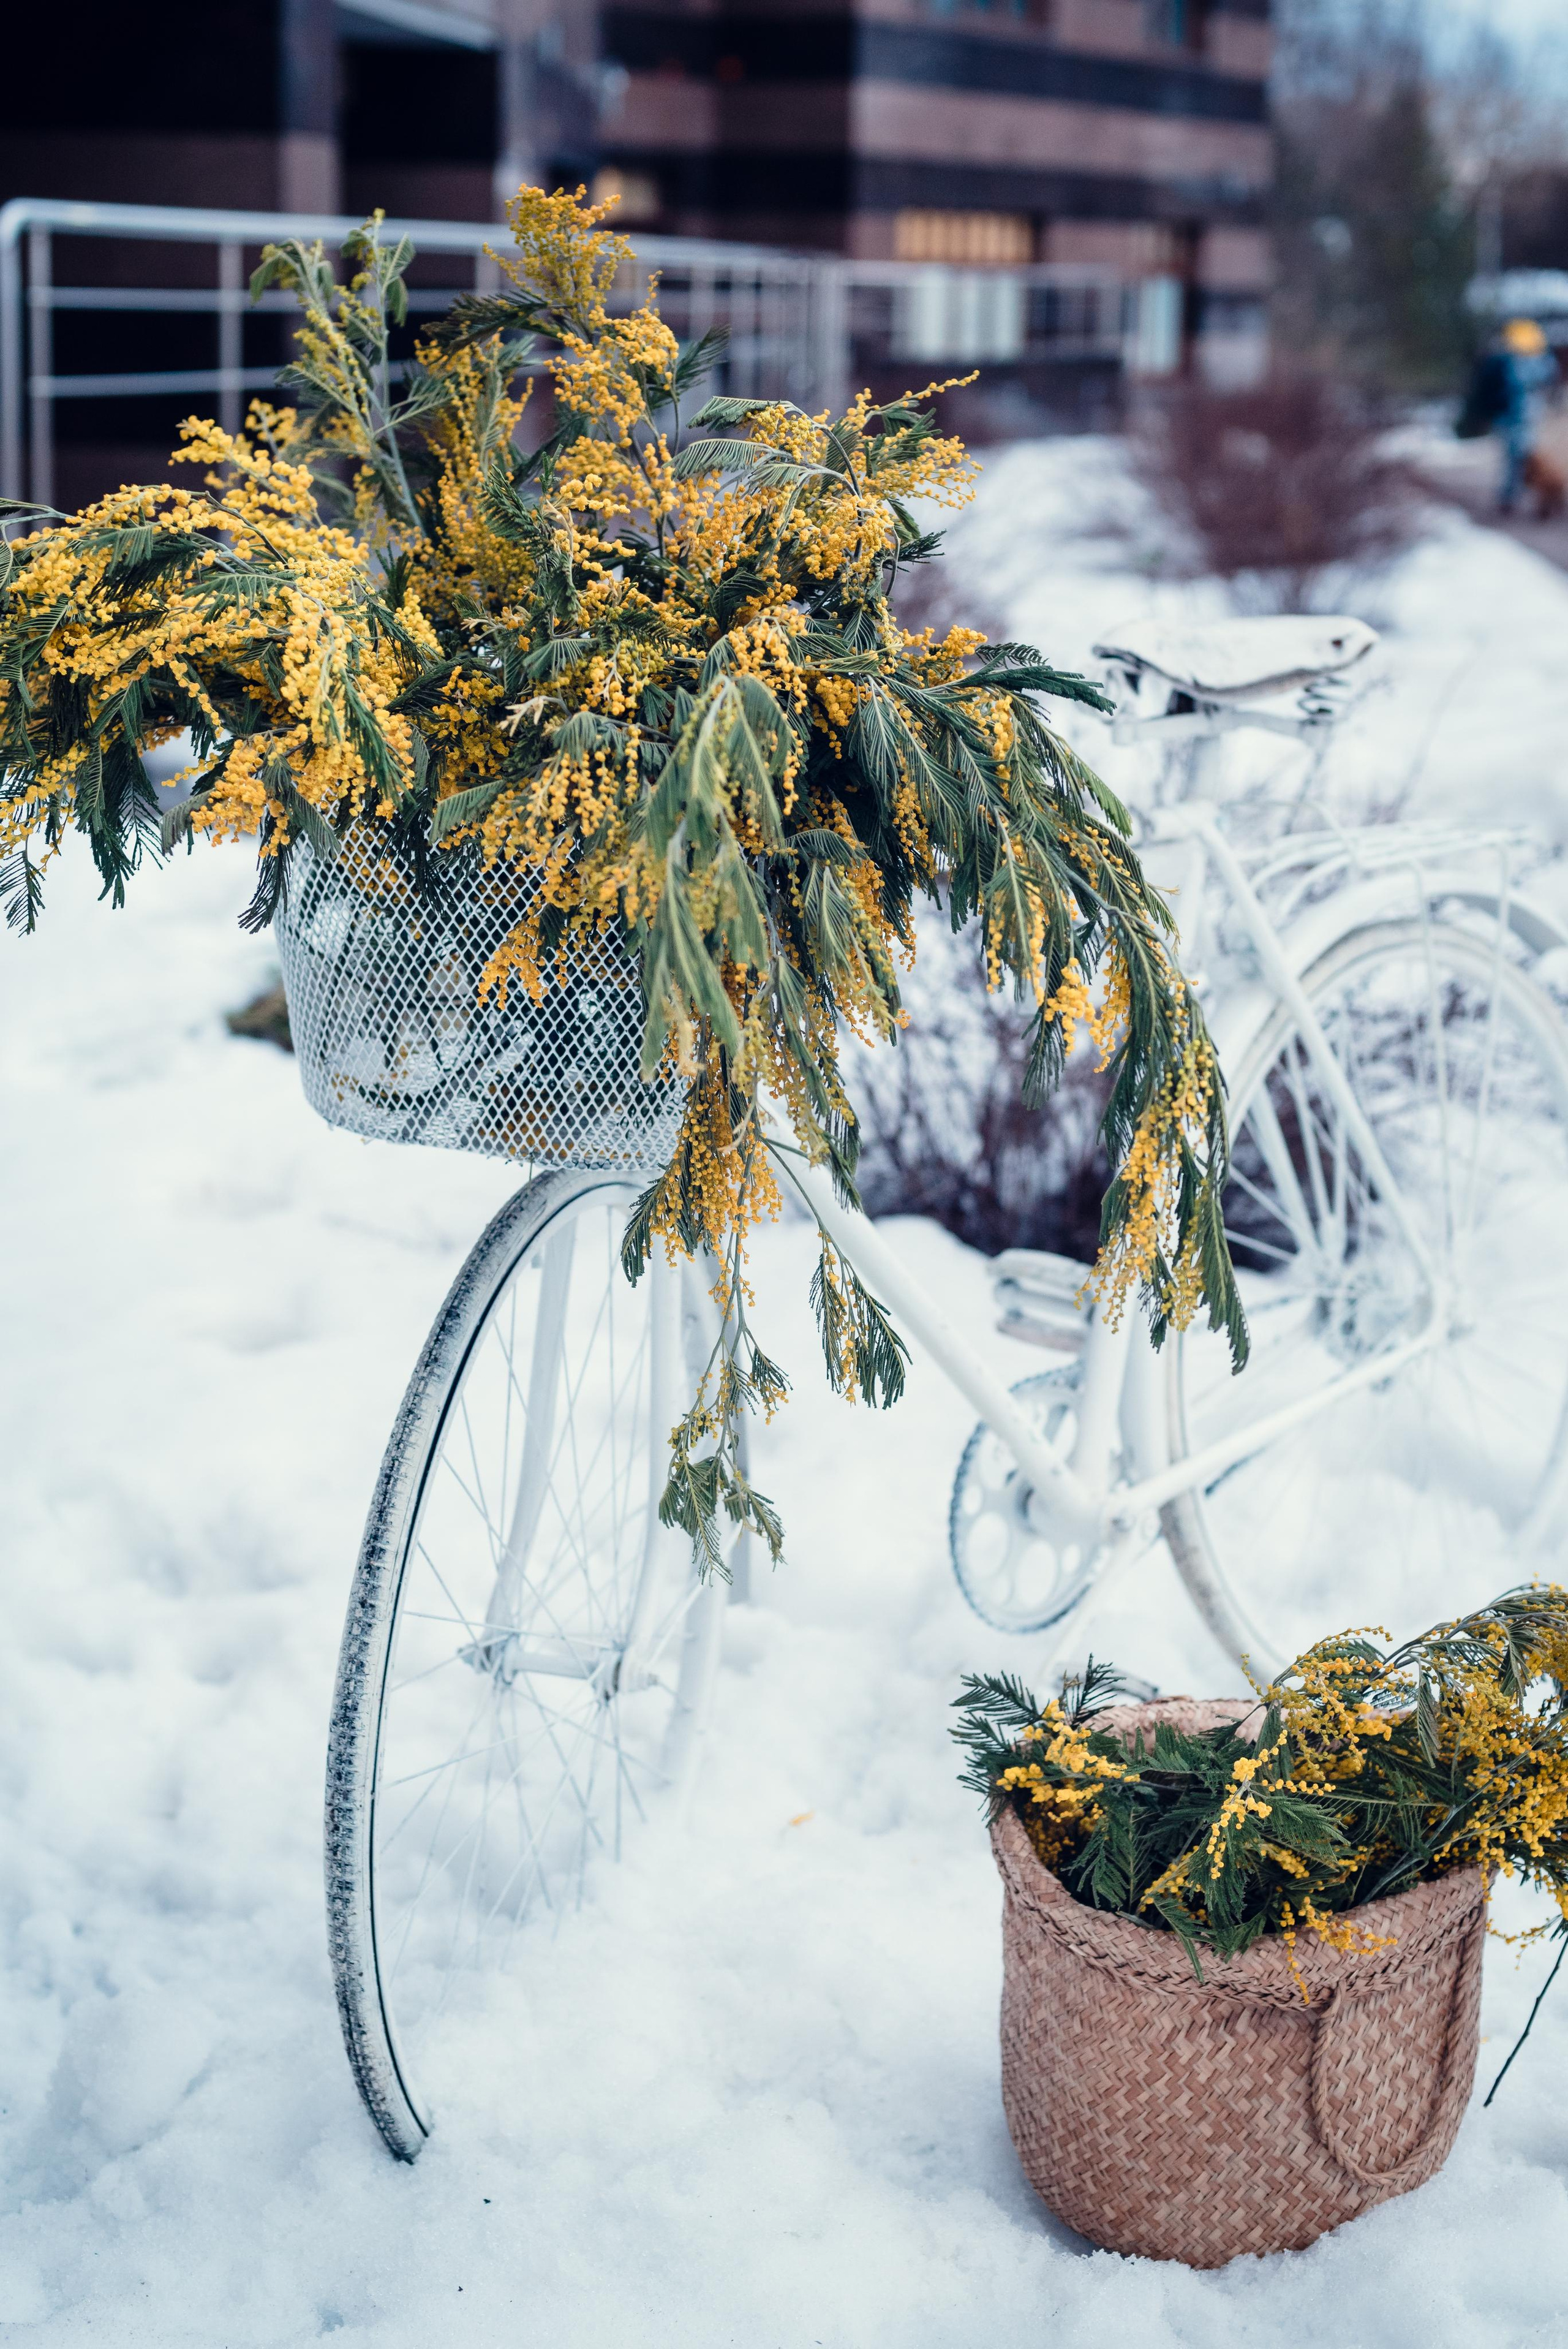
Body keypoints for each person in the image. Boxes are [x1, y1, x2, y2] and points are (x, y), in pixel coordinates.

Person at [1494, 317, 1558, 515]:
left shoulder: (1513, 362)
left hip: (1527, 420)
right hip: (1521, 420)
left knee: (1526, 463)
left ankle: (1524, 500)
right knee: (1523, 463)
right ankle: (1515, 500)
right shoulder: (1533, 361)